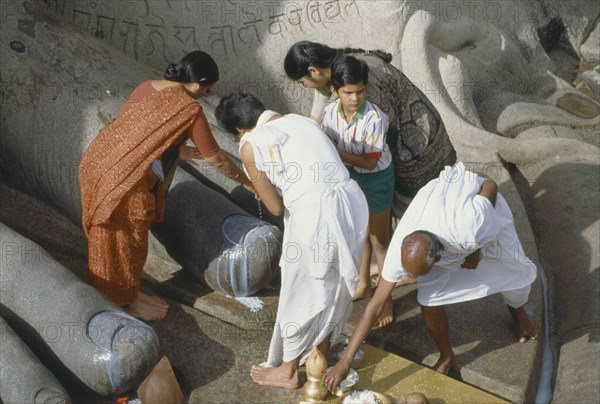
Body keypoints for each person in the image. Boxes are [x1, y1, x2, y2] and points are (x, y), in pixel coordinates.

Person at [323, 162, 538, 392]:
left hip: (483, 209)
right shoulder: (401, 249)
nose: (408, 278)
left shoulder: (468, 226)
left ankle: (517, 311)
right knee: (429, 299)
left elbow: (490, 185)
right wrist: (344, 362)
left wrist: (477, 244)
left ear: (439, 258)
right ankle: (447, 356)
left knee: (512, 270)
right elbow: (374, 305)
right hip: (445, 216)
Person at [78, 51, 252, 321]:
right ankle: (124, 302)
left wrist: (176, 150)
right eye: (207, 90)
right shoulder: (189, 110)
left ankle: (127, 293)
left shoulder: (147, 86)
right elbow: (216, 158)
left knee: (110, 240)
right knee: (126, 242)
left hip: (97, 162)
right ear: (200, 82)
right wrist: (247, 181)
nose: (203, 96)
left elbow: (128, 128)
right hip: (126, 180)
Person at [214, 91, 369, 390]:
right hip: (350, 202)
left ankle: (288, 370)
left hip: (315, 215)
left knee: (302, 291)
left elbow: (273, 207)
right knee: (333, 289)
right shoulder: (301, 121)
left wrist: (256, 185)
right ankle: (318, 354)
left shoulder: (250, 144)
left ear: (237, 130)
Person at [320, 55, 395, 328]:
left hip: (376, 179)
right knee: (359, 233)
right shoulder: (330, 113)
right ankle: (363, 284)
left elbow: (370, 162)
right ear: (334, 91)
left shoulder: (375, 118)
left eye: (360, 91)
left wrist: (335, 152)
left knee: (379, 240)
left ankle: (386, 298)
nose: (355, 98)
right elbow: (325, 140)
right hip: (351, 176)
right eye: (348, 92)